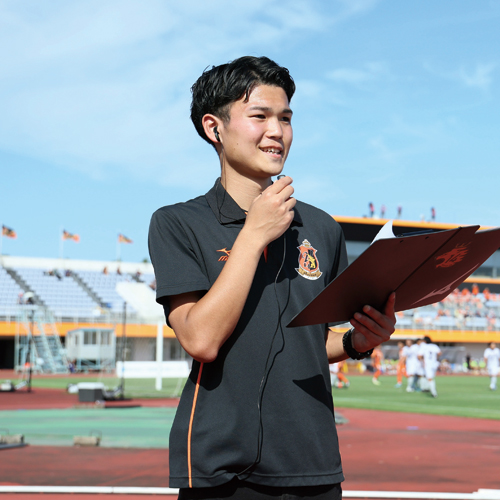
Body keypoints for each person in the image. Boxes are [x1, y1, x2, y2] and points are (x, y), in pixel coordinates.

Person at [148, 56, 396, 500]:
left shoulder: (322, 228)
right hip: (220, 469)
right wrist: (253, 234)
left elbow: (312, 342)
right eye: (259, 116)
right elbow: (201, 339)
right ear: (214, 127)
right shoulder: (177, 223)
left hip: (313, 463)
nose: (277, 132)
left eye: (285, 118)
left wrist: (360, 341)